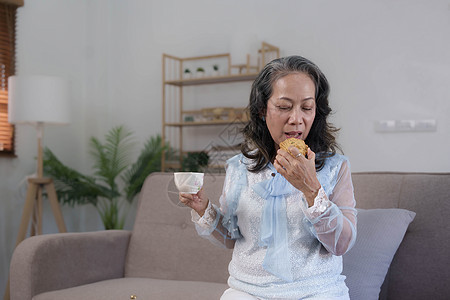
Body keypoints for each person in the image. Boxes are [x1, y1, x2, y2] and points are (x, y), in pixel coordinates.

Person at [179, 55, 357, 300]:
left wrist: (311, 188)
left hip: (317, 291)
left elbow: (342, 244)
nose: (296, 119)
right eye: (284, 107)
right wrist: (203, 209)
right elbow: (232, 239)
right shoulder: (239, 168)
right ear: (263, 110)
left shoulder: (335, 167)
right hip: (248, 291)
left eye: (307, 108)